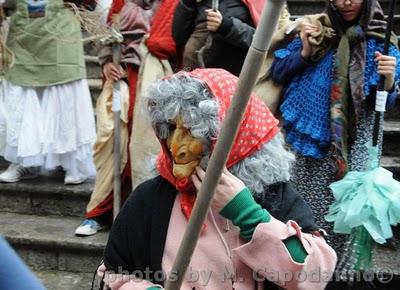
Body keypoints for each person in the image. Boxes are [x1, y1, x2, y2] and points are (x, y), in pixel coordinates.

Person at [99, 69, 337, 290]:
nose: (175, 147)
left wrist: (248, 214)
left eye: (193, 130)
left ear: (232, 137)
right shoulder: (149, 199)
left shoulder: (274, 197)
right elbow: (114, 275)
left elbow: (314, 277)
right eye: (171, 129)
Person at [269, 0, 400, 253]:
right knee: (304, 208)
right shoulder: (316, 30)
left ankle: (337, 268)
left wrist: (390, 81)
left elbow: (379, 103)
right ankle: (303, 261)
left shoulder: (381, 41)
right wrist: (305, 53)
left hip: (354, 142)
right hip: (308, 136)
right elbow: (278, 72)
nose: (347, 2)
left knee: (344, 211)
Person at [74, 0, 161, 236]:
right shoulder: (120, 3)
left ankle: (140, 216)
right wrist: (107, 64)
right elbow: (108, 36)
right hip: (122, 79)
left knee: (143, 148)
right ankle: (99, 213)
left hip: (154, 78)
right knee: (115, 144)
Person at [0, 0, 96, 185]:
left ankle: (72, 163)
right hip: (23, 38)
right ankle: (24, 161)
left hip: (60, 34)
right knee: (21, 97)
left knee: (64, 98)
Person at [172, 0, 261, 76]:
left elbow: (263, 42)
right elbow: (179, 37)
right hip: (193, 75)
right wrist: (188, 2)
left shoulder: (256, 3)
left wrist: (227, 26)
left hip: (230, 80)